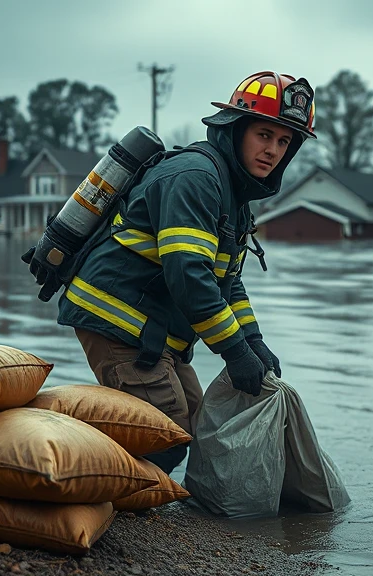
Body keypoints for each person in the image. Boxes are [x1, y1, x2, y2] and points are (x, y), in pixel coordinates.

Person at [55, 71, 317, 474]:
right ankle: (63, 466)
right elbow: (190, 276)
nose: (273, 150)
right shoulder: (196, 179)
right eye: (264, 135)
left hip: (155, 332)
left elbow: (227, 282)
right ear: (235, 128)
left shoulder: (235, 195)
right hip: (117, 323)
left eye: (284, 142)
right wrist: (234, 352)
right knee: (165, 434)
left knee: (195, 423)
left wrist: (254, 340)